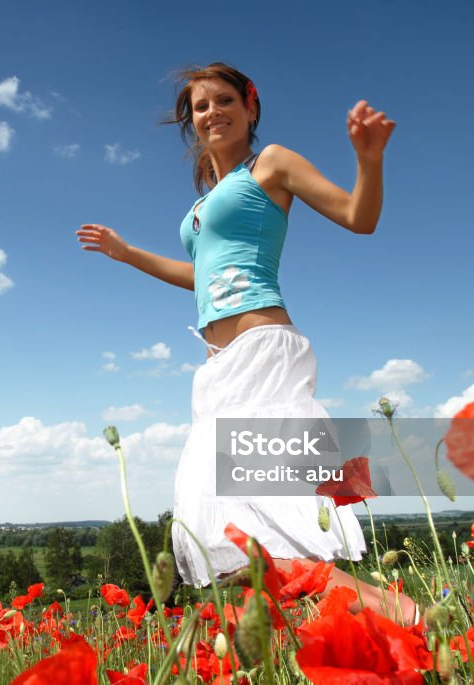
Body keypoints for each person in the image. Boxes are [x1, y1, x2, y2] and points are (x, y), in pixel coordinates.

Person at [77, 63, 417, 626]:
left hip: (264, 354)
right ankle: (363, 633)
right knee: (225, 534)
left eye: (223, 99)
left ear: (250, 106)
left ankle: (407, 620)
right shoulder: (206, 199)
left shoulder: (272, 163)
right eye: (200, 106)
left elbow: (360, 218)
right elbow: (201, 275)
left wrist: (369, 158)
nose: (212, 112)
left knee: (268, 517)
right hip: (217, 370)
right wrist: (127, 253)